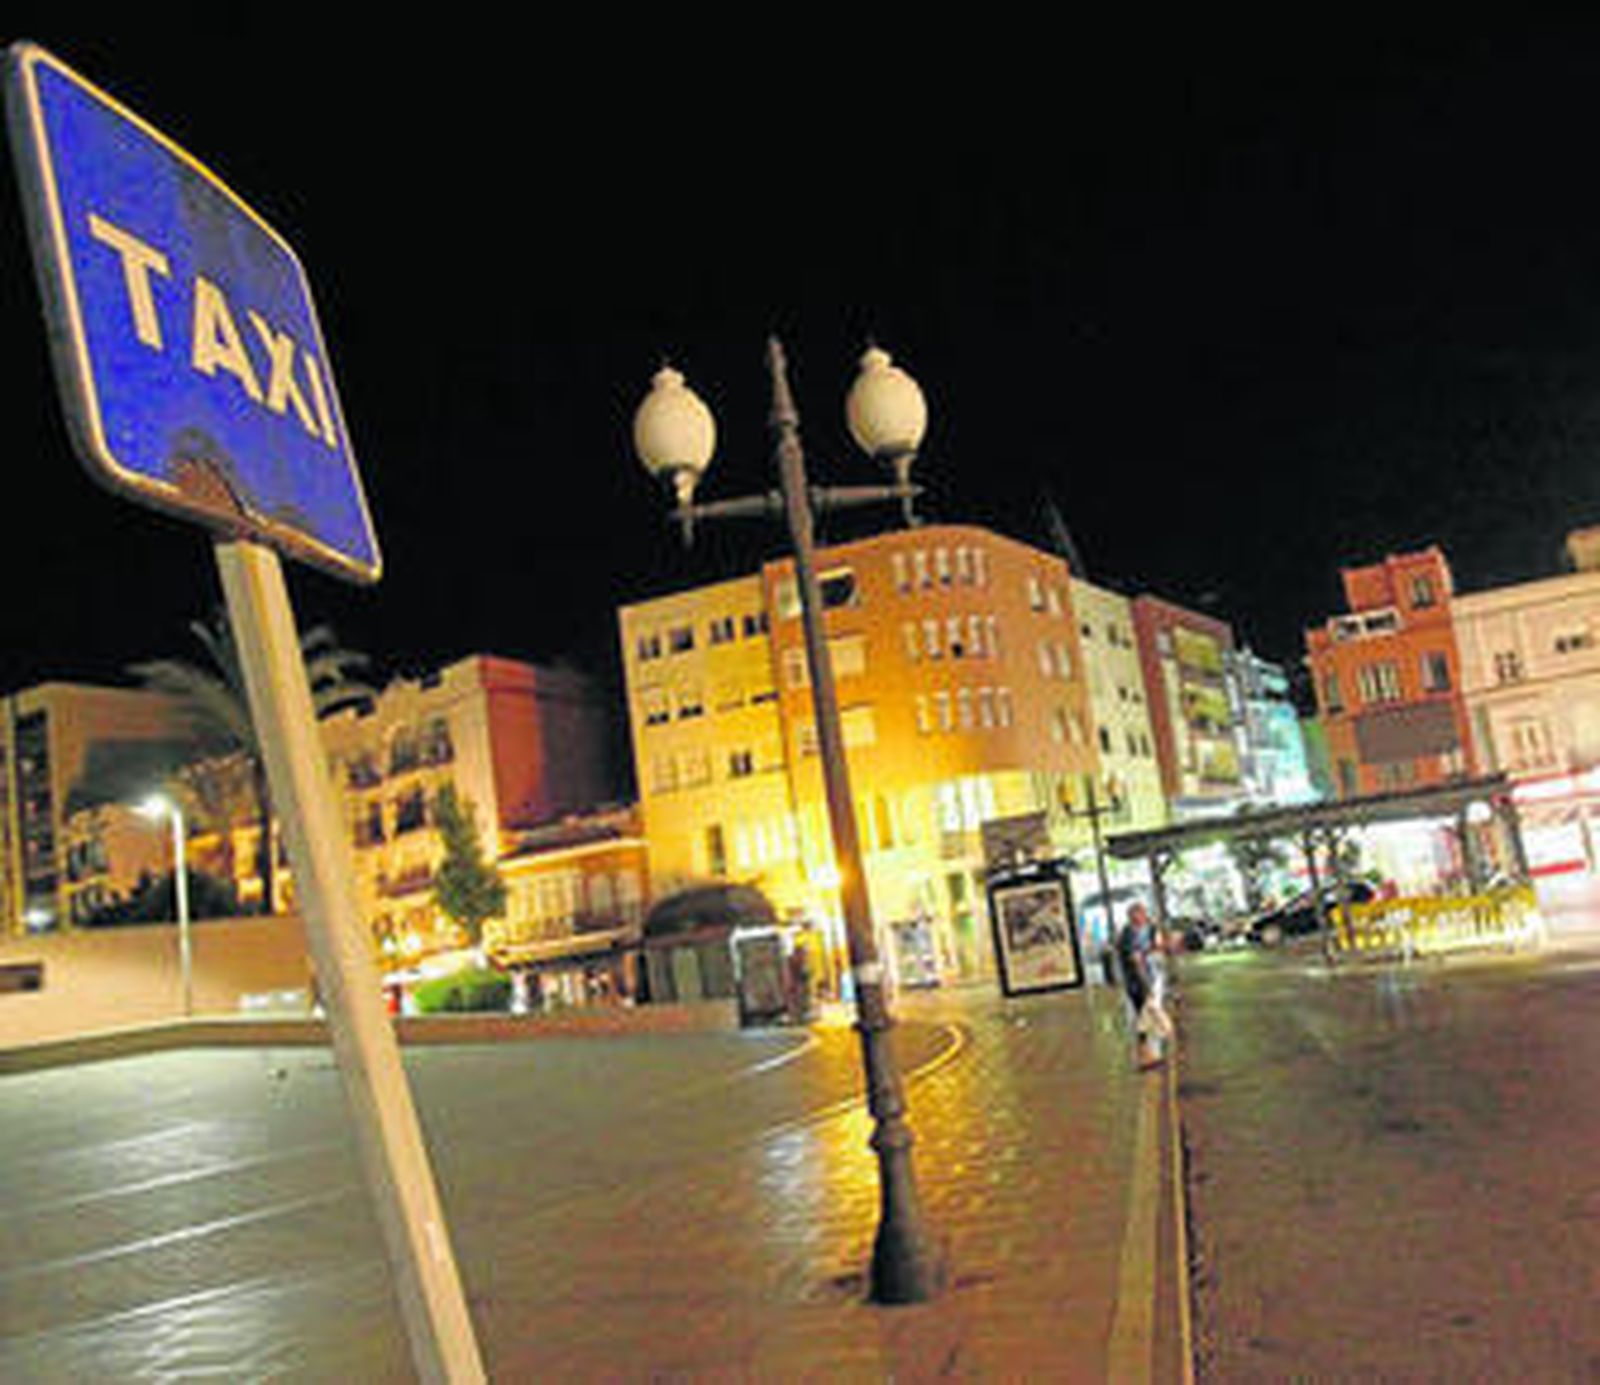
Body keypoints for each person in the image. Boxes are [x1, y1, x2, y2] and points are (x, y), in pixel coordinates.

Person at [1115, 903, 1169, 1069]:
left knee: (1148, 1019)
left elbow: (1155, 950)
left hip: (1152, 979)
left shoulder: (1149, 928)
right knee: (1145, 1020)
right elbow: (1136, 962)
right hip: (1138, 984)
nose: (1144, 916)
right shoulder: (1128, 935)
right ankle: (1145, 1056)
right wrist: (1146, 986)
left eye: (1144, 913)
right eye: (1140, 913)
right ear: (1132, 916)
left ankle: (1152, 1055)